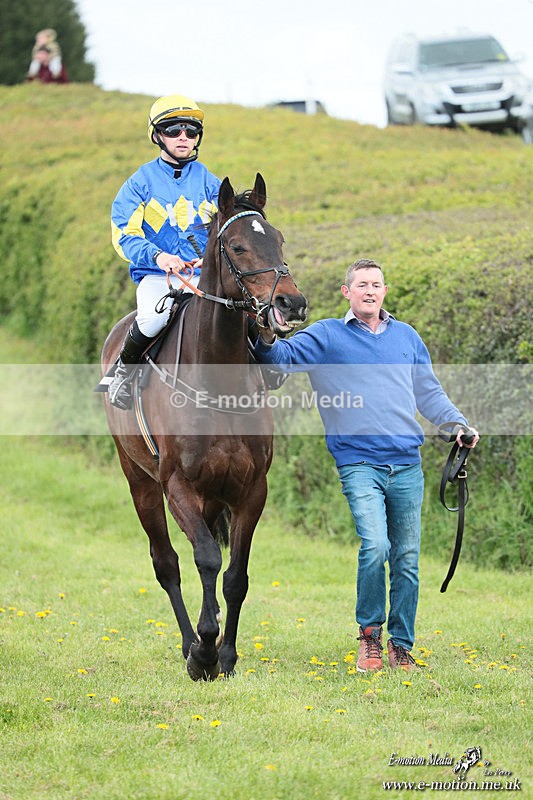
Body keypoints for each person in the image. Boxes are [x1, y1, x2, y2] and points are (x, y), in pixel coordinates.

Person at [253, 258, 479, 672]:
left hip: (407, 465)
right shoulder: (326, 336)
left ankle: (401, 645)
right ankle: (370, 638)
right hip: (358, 463)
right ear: (347, 293)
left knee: (408, 559)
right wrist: (259, 329)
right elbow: (277, 360)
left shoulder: (407, 338)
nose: (369, 291)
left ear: (384, 291)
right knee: (376, 546)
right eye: (361, 285)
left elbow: (428, 393)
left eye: (376, 284)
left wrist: (456, 424)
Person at [108, 94, 221, 410]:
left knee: (239, 315)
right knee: (153, 319)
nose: (184, 137)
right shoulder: (138, 183)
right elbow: (124, 236)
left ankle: (268, 372)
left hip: (203, 277)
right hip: (158, 277)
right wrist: (160, 257)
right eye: (174, 130)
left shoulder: (209, 181)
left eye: (191, 131)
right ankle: (123, 374)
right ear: (157, 135)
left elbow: (226, 229)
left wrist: (209, 256)